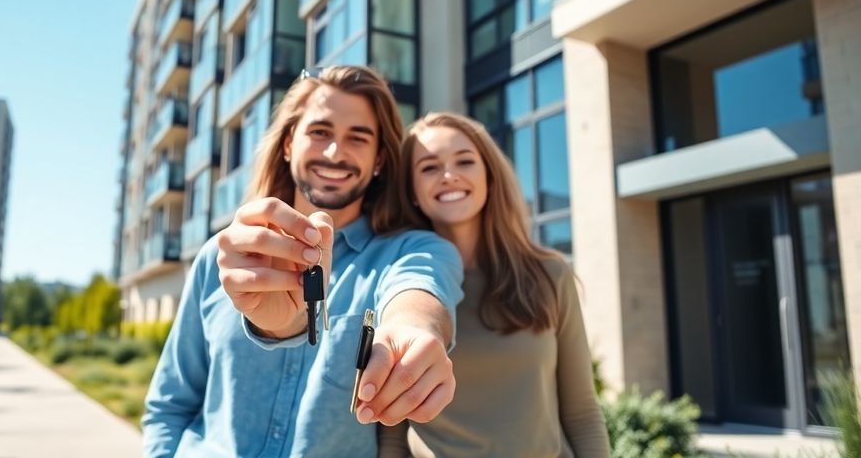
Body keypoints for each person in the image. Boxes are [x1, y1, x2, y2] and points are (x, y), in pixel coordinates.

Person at [142, 67, 465, 458]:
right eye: (320, 132)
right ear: (288, 144)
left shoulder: (412, 250)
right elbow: (169, 406)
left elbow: (419, 290)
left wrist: (413, 328)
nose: (335, 153)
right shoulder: (222, 256)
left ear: (379, 159)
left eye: (358, 138)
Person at [379, 112, 609, 457]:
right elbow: (392, 430)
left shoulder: (550, 274)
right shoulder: (399, 286)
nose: (449, 175)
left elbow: (582, 412)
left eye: (464, 161)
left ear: (489, 175)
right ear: (411, 191)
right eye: (429, 167)